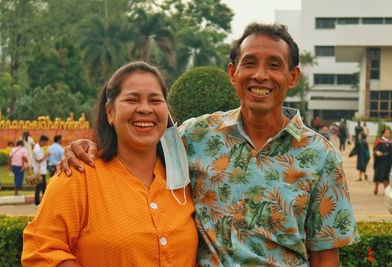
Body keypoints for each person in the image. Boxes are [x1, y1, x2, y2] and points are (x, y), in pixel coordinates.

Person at [59, 23, 359, 266]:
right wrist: (86, 146)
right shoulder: (196, 135)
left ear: (292, 77)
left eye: (274, 65)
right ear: (233, 73)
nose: (260, 75)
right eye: (249, 63)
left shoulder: (320, 155)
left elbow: (325, 252)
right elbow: (136, 138)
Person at [22, 62, 198, 266]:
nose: (145, 109)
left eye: (155, 100)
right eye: (132, 99)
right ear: (110, 113)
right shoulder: (78, 175)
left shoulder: (184, 179)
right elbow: (40, 250)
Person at [32, 135, 50, 206]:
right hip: (39, 171)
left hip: (42, 170)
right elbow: (39, 160)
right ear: (42, 141)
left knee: (43, 187)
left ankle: (43, 202)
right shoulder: (37, 149)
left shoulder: (39, 148)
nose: (45, 144)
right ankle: (37, 202)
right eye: (45, 142)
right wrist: (46, 155)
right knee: (39, 186)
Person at [373, 129, 392, 195]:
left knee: (387, 177)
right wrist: (377, 152)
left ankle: (386, 191)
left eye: (389, 133)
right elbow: (375, 149)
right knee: (378, 175)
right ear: (383, 133)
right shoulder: (379, 141)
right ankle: (376, 189)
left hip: (388, 161)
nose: (388, 134)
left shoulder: (390, 142)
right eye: (387, 132)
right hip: (380, 161)